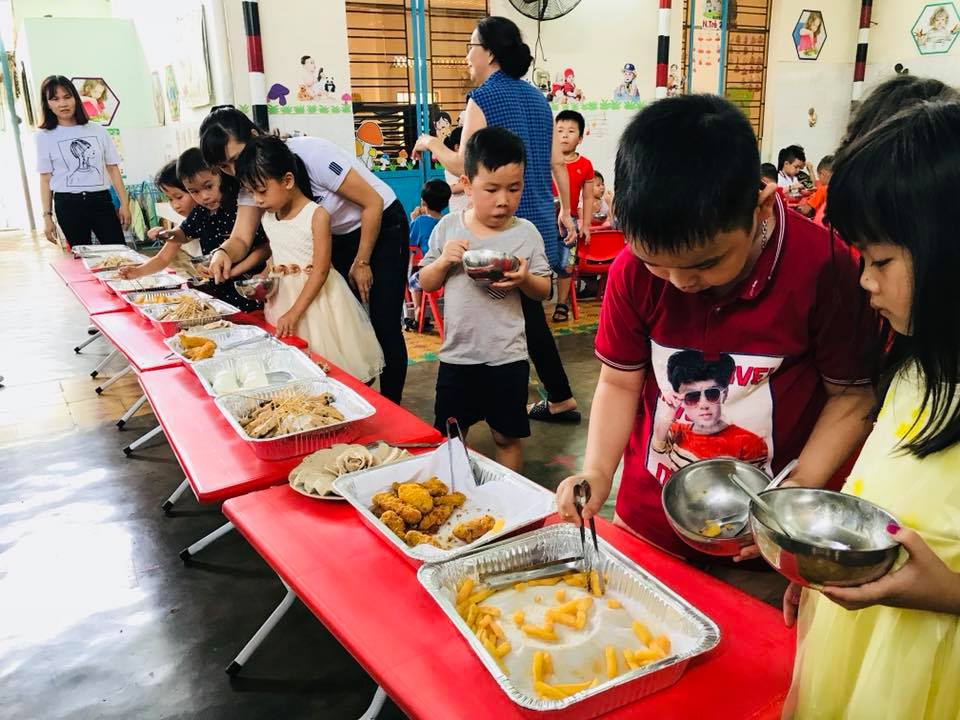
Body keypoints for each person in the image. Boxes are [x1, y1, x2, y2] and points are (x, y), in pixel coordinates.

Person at [554, 94, 879, 561]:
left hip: (765, 537)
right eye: (657, 263)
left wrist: (793, 497)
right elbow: (620, 382)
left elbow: (851, 397)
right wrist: (598, 472)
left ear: (760, 206)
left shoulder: (822, 267)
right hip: (649, 523)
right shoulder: (632, 271)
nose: (680, 283)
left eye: (705, 264)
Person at [783, 100, 960, 720]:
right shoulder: (916, 371)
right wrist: (824, 574)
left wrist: (949, 593)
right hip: (860, 646)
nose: (865, 281)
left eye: (880, 261)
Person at [413, 15, 580, 424]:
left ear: (488, 52)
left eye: (471, 46)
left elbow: (463, 164)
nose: (467, 55)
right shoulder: (538, 98)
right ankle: (556, 397)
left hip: (499, 224)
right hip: (537, 219)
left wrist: (431, 141)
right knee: (526, 311)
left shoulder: (483, 98)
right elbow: (558, 162)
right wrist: (565, 210)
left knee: (501, 312)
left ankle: (505, 404)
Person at [200, 108, 409, 402]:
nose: (234, 170)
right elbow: (241, 238)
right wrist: (223, 253)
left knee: (383, 324)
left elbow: (372, 202)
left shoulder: (311, 154)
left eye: (234, 159)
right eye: (224, 167)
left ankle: (391, 406)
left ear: (254, 136)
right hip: (333, 237)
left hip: (381, 223)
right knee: (340, 328)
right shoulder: (253, 181)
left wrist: (361, 261)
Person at [418, 128, 551, 472]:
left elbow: (544, 289)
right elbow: (425, 282)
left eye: (514, 188)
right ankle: (455, 491)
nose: (503, 200)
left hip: (507, 357)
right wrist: (443, 261)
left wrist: (525, 279)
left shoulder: (526, 233)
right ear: (466, 184)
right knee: (451, 436)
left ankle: (507, 496)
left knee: (507, 436)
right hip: (458, 357)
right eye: (491, 190)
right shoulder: (448, 228)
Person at [235, 136, 384, 382]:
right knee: (294, 369)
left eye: (261, 191)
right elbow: (276, 258)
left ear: (287, 180)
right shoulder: (268, 218)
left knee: (330, 368)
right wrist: (261, 279)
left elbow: (321, 270)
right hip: (282, 300)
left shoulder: (317, 215)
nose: (258, 200)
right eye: (251, 193)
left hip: (319, 304)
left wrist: (295, 312)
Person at [118, 151, 270, 312]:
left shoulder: (241, 208)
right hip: (220, 290)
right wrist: (166, 235)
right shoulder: (201, 212)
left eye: (209, 187)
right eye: (195, 191)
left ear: (221, 175)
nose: (204, 197)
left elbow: (263, 248)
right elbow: (182, 235)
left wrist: (231, 271)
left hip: (247, 288)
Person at [36, 75, 130, 247]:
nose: (63, 104)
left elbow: (113, 168)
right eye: (55, 99)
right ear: (47, 103)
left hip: (101, 201)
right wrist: (47, 216)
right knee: (82, 255)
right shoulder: (44, 136)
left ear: (76, 98)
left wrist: (124, 204)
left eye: (67, 97)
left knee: (118, 250)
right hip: (67, 205)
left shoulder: (98, 130)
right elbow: (45, 178)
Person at [652, 350, 768, 471]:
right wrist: (671, 411)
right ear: (681, 400)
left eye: (712, 394)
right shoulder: (677, 431)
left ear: (725, 394)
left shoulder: (749, 442)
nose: (704, 405)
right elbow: (658, 447)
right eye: (692, 397)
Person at [551, 110, 595, 323]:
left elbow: (588, 197)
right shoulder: (545, 161)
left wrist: (585, 225)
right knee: (540, 263)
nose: (564, 135)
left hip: (570, 225)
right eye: (559, 131)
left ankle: (561, 304)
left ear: (580, 138)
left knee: (567, 264)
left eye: (570, 131)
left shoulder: (585, 165)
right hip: (545, 220)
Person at [408, 179, 451, 322]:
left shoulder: (419, 222)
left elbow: (411, 242)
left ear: (423, 202)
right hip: (446, 272)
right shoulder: (447, 221)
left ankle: (417, 309)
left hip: (428, 274)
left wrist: (413, 219)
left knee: (412, 279)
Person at [796, 154, 832, 224]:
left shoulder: (823, 189)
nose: (819, 179)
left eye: (819, 176)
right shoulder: (842, 188)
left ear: (823, 173)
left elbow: (806, 210)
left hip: (821, 226)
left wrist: (795, 208)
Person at [443, 127, 469, 214]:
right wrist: (473, 181)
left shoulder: (469, 164)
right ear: (457, 147)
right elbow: (453, 189)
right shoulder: (451, 166)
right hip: (459, 211)